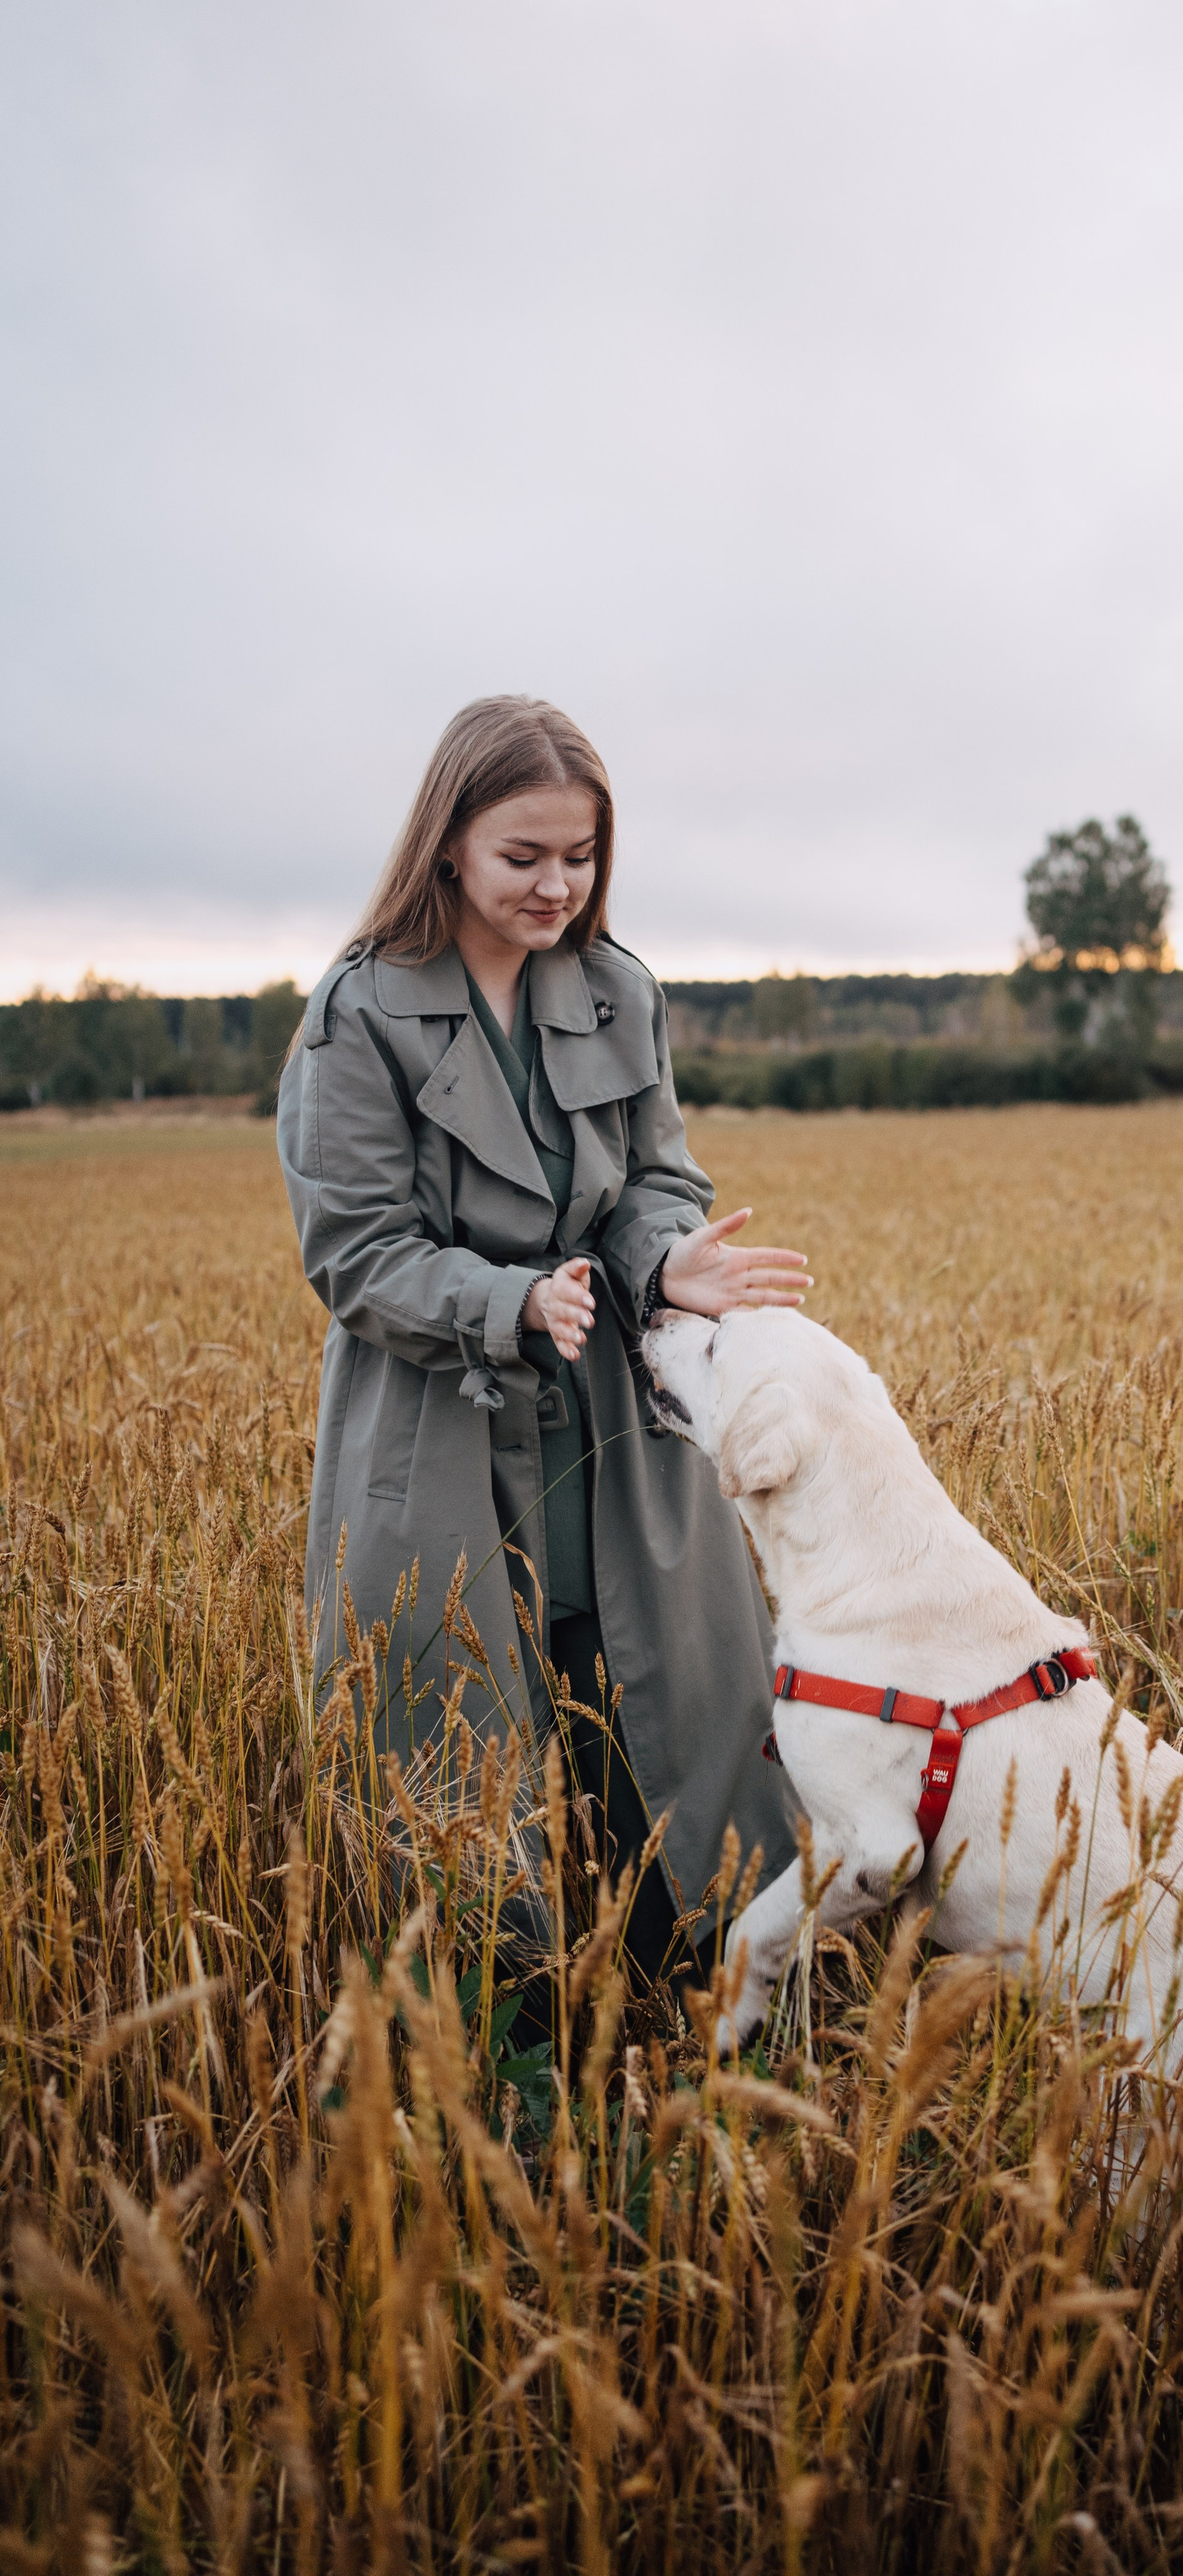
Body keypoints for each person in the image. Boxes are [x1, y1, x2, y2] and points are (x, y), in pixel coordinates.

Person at [277, 695, 807, 1990]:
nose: (558, 886)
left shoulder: (621, 991)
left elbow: (656, 1183)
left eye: (581, 857)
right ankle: (501, 2066)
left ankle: (711, 2017)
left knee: (672, 1741)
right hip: (441, 1449)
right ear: (446, 842)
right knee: (461, 1783)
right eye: (525, 857)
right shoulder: (358, 1014)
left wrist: (667, 1260)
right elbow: (355, 1251)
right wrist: (507, 1303)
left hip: (623, 1443)